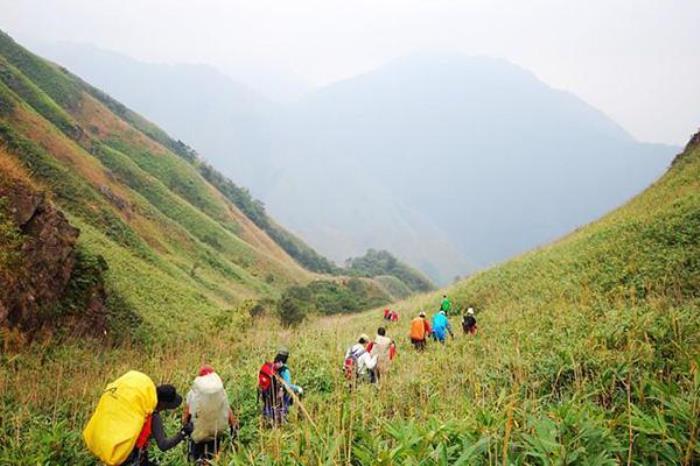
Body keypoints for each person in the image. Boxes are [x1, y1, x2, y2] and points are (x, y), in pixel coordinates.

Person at [122, 385, 193, 466]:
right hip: (134, 461)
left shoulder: (142, 408)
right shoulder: (153, 416)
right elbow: (163, 445)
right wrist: (183, 433)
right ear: (163, 403)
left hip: (122, 457)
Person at [182, 365, 238, 464]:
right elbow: (229, 412)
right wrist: (234, 428)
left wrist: (185, 427)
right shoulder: (221, 393)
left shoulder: (193, 394)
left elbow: (186, 415)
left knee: (197, 459)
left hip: (198, 433)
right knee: (212, 459)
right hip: (215, 432)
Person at [259, 347, 303, 426]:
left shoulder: (272, 366)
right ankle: (282, 421)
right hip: (278, 394)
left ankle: (267, 419)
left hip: (268, 393)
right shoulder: (285, 370)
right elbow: (288, 386)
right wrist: (298, 389)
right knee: (284, 404)